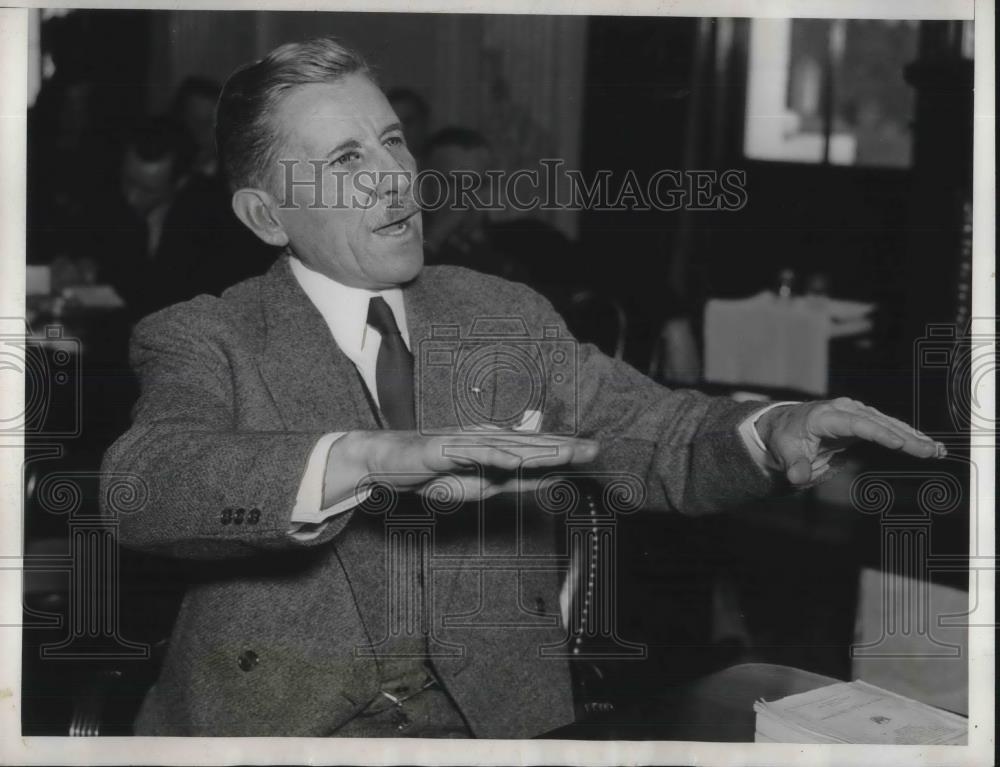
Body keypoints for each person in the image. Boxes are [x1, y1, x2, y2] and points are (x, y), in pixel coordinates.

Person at [100, 37, 945, 738]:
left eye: (394, 141)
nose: (395, 178)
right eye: (346, 159)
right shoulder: (205, 333)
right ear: (266, 216)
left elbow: (655, 431)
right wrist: (371, 456)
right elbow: (146, 481)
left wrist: (774, 427)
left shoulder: (501, 312)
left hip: (503, 726)